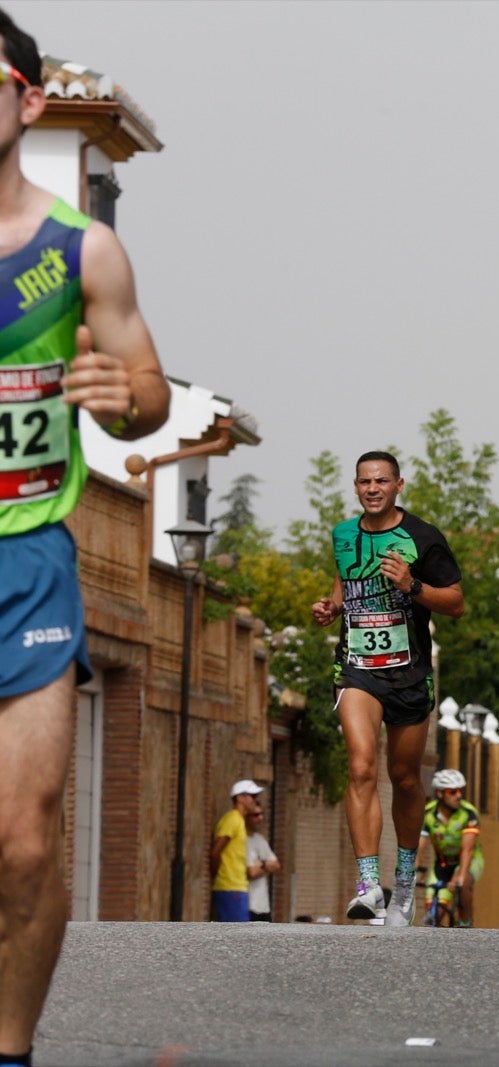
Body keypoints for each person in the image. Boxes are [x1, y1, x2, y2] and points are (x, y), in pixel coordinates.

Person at [0, 12, 171, 1064]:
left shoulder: (82, 250)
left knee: (23, 839)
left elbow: (148, 388)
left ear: (26, 101)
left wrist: (126, 398)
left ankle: (9, 1049)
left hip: (28, 556)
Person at [311, 451, 465, 927]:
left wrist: (412, 585)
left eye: (381, 480)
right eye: (364, 481)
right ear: (355, 487)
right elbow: (344, 582)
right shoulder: (342, 534)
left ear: (399, 485)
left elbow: (456, 603)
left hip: (409, 672)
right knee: (360, 765)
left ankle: (403, 881)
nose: (373, 488)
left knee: (403, 778)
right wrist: (331, 607)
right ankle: (366, 885)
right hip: (357, 669)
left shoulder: (423, 537)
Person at [420, 767, 482, 928]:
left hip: (468, 860)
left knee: (463, 884)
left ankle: (465, 922)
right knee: (434, 912)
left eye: (460, 791)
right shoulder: (428, 813)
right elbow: (419, 844)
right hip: (442, 863)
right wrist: (415, 870)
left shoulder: (468, 813)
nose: (459, 795)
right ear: (440, 793)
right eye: (452, 792)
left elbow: (467, 849)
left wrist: (460, 876)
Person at [210, 780, 264, 922]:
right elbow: (216, 851)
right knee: (235, 938)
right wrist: (219, 875)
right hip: (230, 887)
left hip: (237, 888)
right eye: (252, 796)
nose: (255, 800)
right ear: (240, 798)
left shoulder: (239, 820)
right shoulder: (232, 819)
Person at [245, 808, 281, 922]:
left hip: (264, 907)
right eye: (256, 815)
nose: (260, 818)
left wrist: (261, 863)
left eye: (261, 814)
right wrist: (267, 865)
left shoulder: (260, 840)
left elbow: (276, 865)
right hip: (248, 905)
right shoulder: (242, 840)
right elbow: (252, 872)